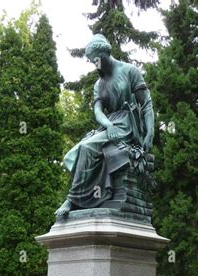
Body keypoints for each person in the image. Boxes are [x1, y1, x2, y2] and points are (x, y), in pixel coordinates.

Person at [56, 34, 155, 217]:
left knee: (87, 147)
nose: (95, 64)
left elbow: (146, 104)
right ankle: (89, 200)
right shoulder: (99, 84)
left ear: (105, 53)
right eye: (92, 61)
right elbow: (98, 111)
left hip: (128, 124)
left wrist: (149, 133)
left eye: (96, 59)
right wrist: (108, 125)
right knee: (73, 153)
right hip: (110, 124)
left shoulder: (130, 71)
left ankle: (72, 199)